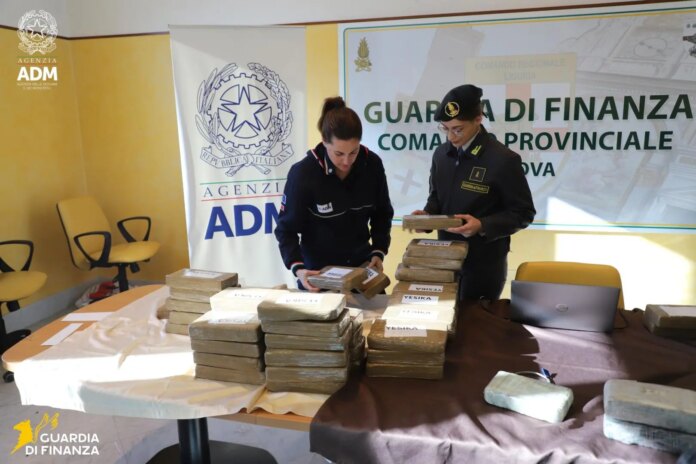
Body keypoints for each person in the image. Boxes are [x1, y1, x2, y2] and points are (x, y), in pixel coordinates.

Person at [412, 84, 536, 301]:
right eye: (445, 129)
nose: (451, 137)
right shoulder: (441, 154)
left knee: (474, 322)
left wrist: (482, 225)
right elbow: (436, 198)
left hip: (482, 268)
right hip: (444, 261)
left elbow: (524, 213)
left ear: (478, 119)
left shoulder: (503, 160)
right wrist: (427, 216)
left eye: (458, 129)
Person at [275, 96, 394, 291]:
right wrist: (298, 269)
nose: (347, 161)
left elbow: (382, 214)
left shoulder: (372, 165)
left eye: (353, 152)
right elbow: (285, 230)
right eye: (339, 154)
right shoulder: (303, 174)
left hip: (362, 270)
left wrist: (378, 251)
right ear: (324, 142)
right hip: (318, 275)